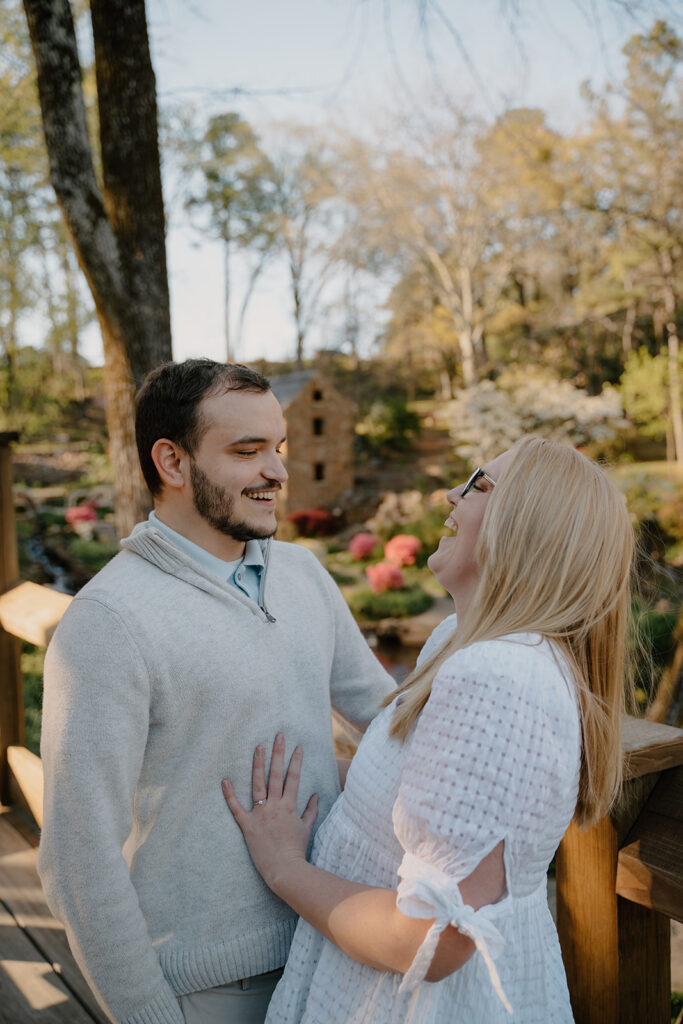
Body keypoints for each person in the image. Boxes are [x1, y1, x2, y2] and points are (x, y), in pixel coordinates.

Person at [222, 436, 634, 1023]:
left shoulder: (499, 678)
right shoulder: (458, 643)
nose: (451, 494)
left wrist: (284, 868)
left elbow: (430, 941)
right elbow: (404, 791)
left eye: (479, 485)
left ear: (525, 526)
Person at [38, 359, 394, 1024]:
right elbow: (77, 860)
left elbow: (388, 718)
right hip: (215, 989)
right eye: (246, 451)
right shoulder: (108, 624)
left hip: (340, 947)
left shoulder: (302, 574)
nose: (278, 472)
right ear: (171, 462)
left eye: (277, 447)